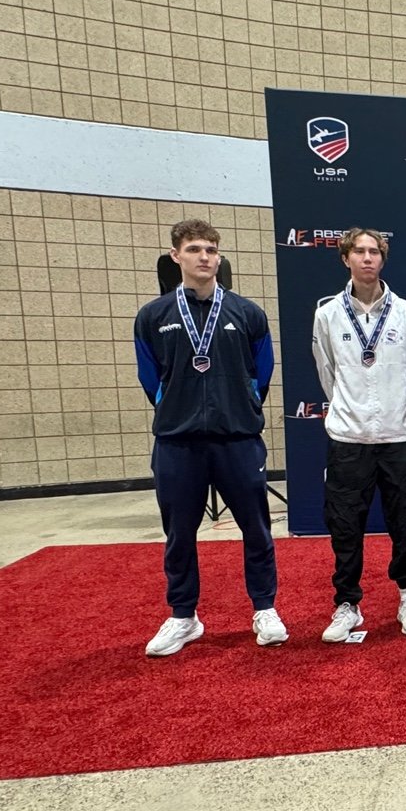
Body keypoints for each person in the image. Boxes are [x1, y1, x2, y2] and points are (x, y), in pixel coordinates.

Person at [133, 219, 287, 656]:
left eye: (212, 250)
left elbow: (262, 374)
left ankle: (264, 608)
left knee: (256, 529)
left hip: (236, 439)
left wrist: (238, 407)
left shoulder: (247, 313)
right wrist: (178, 410)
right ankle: (184, 616)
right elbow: (151, 380)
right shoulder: (153, 316)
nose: (205, 257)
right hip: (178, 442)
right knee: (179, 534)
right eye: (195, 249)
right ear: (175, 256)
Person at [312, 227, 406, 641]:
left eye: (374, 251)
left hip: (397, 436)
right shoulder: (326, 314)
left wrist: (393, 409)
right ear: (345, 258)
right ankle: (347, 604)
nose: (366, 258)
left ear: (383, 258)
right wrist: (353, 409)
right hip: (348, 438)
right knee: (345, 524)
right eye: (358, 251)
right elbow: (328, 374)